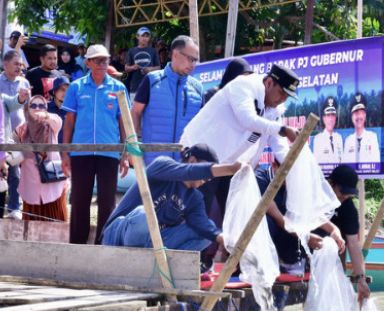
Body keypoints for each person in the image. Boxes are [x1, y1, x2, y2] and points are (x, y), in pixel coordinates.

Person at [181, 63, 300, 216]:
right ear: (269, 82)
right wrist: (283, 129)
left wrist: (291, 164)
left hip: (230, 166)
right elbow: (248, 120)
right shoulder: (244, 85)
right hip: (201, 159)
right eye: (282, 93)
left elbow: (278, 144)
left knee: (234, 219)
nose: (283, 99)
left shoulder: (273, 108)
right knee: (193, 215)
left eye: (287, 96)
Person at [102, 144, 241, 253]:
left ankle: (161, 266)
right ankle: (136, 260)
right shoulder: (161, 166)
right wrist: (230, 169)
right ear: (192, 161)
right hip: (118, 235)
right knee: (144, 214)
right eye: (207, 173)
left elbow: (203, 225)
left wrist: (223, 240)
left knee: (205, 234)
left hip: (152, 243)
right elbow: (188, 171)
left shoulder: (195, 198)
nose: (208, 180)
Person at [61, 44, 130, 245]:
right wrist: (66, 153)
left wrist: (125, 153)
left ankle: (102, 246)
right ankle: (77, 246)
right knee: (80, 201)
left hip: (109, 153)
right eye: (97, 60)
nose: (102, 64)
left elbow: (124, 123)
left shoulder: (118, 89)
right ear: (88, 62)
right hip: (81, 153)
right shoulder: (76, 87)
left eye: (105, 60)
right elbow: (69, 122)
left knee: (107, 202)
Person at [255, 161, 345, 274]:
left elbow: (309, 212)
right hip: (266, 231)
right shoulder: (259, 179)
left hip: (286, 230)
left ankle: (295, 263)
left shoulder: (296, 181)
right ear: (274, 166)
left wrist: (333, 230)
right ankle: (269, 264)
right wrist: (305, 237)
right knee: (266, 222)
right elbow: (277, 217)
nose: (291, 176)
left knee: (319, 230)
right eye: (287, 172)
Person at [131, 35, 203, 165]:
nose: (193, 64)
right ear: (175, 54)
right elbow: (135, 112)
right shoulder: (152, 80)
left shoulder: (198, 88)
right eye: (190, 59)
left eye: (195, 60)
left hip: (185, 167)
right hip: (154, 164)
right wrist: (131, 144)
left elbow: (203, 125)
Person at [13, 95, 68, 222]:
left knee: (55, 222)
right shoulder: (22, 129)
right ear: (27, 108)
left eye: (41, 105)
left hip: (51, 182)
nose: (37, 108)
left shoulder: (52, 126)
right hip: (31, 183)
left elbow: (57, 120)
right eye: (33, 105)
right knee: (31, 224)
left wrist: (46, 116)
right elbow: (11, 140)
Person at [326, 165, 370, 305]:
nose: (344, 197)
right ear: (331, 183)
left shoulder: (348, 207)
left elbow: (353, 244)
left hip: (337, 252)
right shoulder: (315, 197)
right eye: (342, 192)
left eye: (348, 193)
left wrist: (361, 279)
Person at [0, 50, 31, 219]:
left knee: (15, 173)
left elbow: (23, 107)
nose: (19, 67)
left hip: (18, 135)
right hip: (2, 134)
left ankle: (14, 208)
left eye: (21, 64)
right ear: (5, 64)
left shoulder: (24, 83)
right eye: (16, 64)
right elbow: (9, 102)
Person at [343, 92, 380, 164]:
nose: (359, 117)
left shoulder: (372, 137)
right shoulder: (348, 141)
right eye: (356, 113)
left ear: (365, 115)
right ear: (352, 117)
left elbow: (376, 164)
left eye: (361, 113)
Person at [125, 27, 160, 97]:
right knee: (135, 107)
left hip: (151, 86)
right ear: (137, 37)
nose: (145, 38)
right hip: (135, 87)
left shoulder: (153, 51)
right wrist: (133, 67)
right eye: (142, 35)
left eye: (147, 36)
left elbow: (159, 67)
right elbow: (126, 68)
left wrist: (150, 69)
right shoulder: (131, 51)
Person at [313, 96, 343, 165]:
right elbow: (317, 165)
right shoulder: (318, 139)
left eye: (333, 115)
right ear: (323, 118)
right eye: (328, 115)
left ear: (335, 118)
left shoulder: (339, 137)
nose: (331, 119)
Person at [47, 76, 70, 144]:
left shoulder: (73, 109)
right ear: (54, 91)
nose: (65, 93)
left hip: (68, 149)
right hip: (50, 149)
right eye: (62, 90)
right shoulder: (46, 107)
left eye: (67, 90)